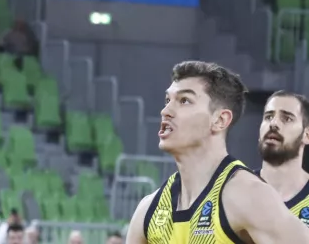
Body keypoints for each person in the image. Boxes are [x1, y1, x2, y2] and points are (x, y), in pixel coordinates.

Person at [125, 61, 308, 243]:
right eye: (167, 100)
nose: (166, 111)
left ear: (220, 120)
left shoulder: (248, 196)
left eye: (184, 101)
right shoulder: (148, 210)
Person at [254, 90, 309, 225]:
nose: (274, 124)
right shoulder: (234, 190)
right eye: (268, 117)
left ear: (306, 135)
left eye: (287, 118)